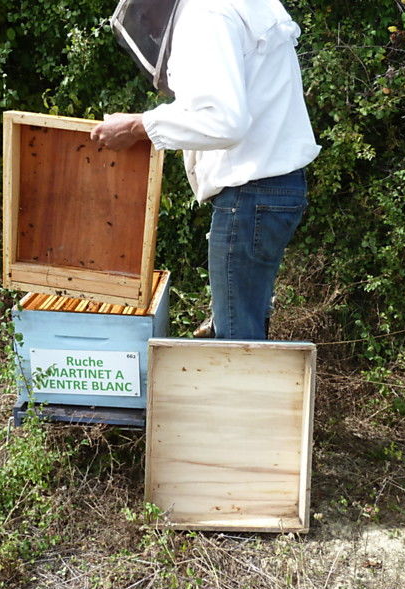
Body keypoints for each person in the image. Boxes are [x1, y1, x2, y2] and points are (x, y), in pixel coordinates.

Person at [91, 0, 320, 340]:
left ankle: (240, 390)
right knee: (245, 326)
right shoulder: (232, 5)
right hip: (273, 191)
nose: (150, 27)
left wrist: (139, 125)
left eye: (146, 15)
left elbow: (224, 121)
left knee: (236, 341)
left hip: (250, 194)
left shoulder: (206, 15)